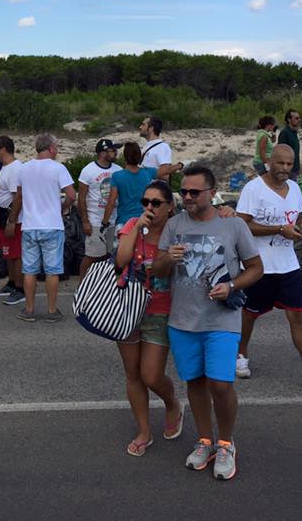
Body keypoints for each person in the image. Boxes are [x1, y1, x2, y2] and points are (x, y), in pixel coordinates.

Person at [153, 165, 263, 481]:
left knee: (220, 383)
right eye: (183, 192)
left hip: (222, 319)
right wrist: (167, 258)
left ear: (212, 193)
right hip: (182, 321)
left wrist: (232, 286)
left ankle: (226, 443)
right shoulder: (174, 225)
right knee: (196, 382)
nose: (187, 197)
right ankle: (205, 441)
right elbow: (157, 270)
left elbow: (256, 268)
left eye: (194, 192)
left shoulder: (233, 224)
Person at [235, 145, 302, 395]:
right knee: (249, 314)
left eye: (289, 164)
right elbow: (241, 225)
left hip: (288, 265)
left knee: (299, 317)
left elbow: (297, 218)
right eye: (280, 163)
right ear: (269, 162)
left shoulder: (294, 188)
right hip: (257, 265)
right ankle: (240, 353)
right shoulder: (253, 188)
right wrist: (279, 229)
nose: (285, 169)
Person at [114, 180, 185, 456]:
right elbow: (121, 260)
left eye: (156, 203)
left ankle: (172, 403)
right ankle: (144, 431)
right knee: (132, 373)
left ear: (169, 207)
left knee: (151, 375)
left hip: (160, 309)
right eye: (145, 202)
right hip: (128, 309)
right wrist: (137, 228)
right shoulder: (133, 224)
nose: (150, 207)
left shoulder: (177, 230)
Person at [6, 133, 76, 323]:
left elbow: (19, 197)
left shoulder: (24, 168)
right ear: (51, 148)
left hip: (30, 225)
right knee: (52, 271)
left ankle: (29, 310)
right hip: (52, 225)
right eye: (57, 147)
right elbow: (71, 195)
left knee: (30, 270)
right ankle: (51, 311)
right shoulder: (58, 168)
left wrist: (12, 219)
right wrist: (62, 207)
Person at [77, 139, 122, 279]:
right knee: (92, 255)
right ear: (102, 153)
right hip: (95, 220)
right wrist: (85, 221)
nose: (115, 153)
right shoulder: (88, 171)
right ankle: (82, 284)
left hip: (113, 220)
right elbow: (81, 198)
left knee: (110, 256)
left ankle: (103, 284)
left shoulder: (118, 170)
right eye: (112, 150)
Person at [0, 136, 24, 304]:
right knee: (8, 253)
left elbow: (18, 197)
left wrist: (12, 221)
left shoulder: (15, 169)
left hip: (11, 218)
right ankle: (12, 282)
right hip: (1, 215)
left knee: (16, 254)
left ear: (3, 149)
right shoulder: (5, 168)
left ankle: (20, 289)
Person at [103, 143, 157, 228]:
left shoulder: (117, 176)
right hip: (144, 220)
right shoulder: (148, 172)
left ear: (125, 157)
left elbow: (111, 203)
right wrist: (178, 166)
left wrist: (104, 222)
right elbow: (166, 171)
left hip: (124, 221)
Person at [139, 116, 183, 181]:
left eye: (143, 125)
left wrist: (144, 174)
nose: (140, 127)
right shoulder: (147, 146)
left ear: (151, 128)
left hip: (154, 186)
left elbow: (165, 175)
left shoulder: (162, 147)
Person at [277, 109, 302, 181]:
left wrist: (297, 168)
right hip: (287, 170)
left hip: (294, 169)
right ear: (289, 119)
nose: (299, 120)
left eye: (299, 118)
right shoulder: (284, 133)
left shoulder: (294, 132)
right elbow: (281, 152)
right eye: (296, 118)